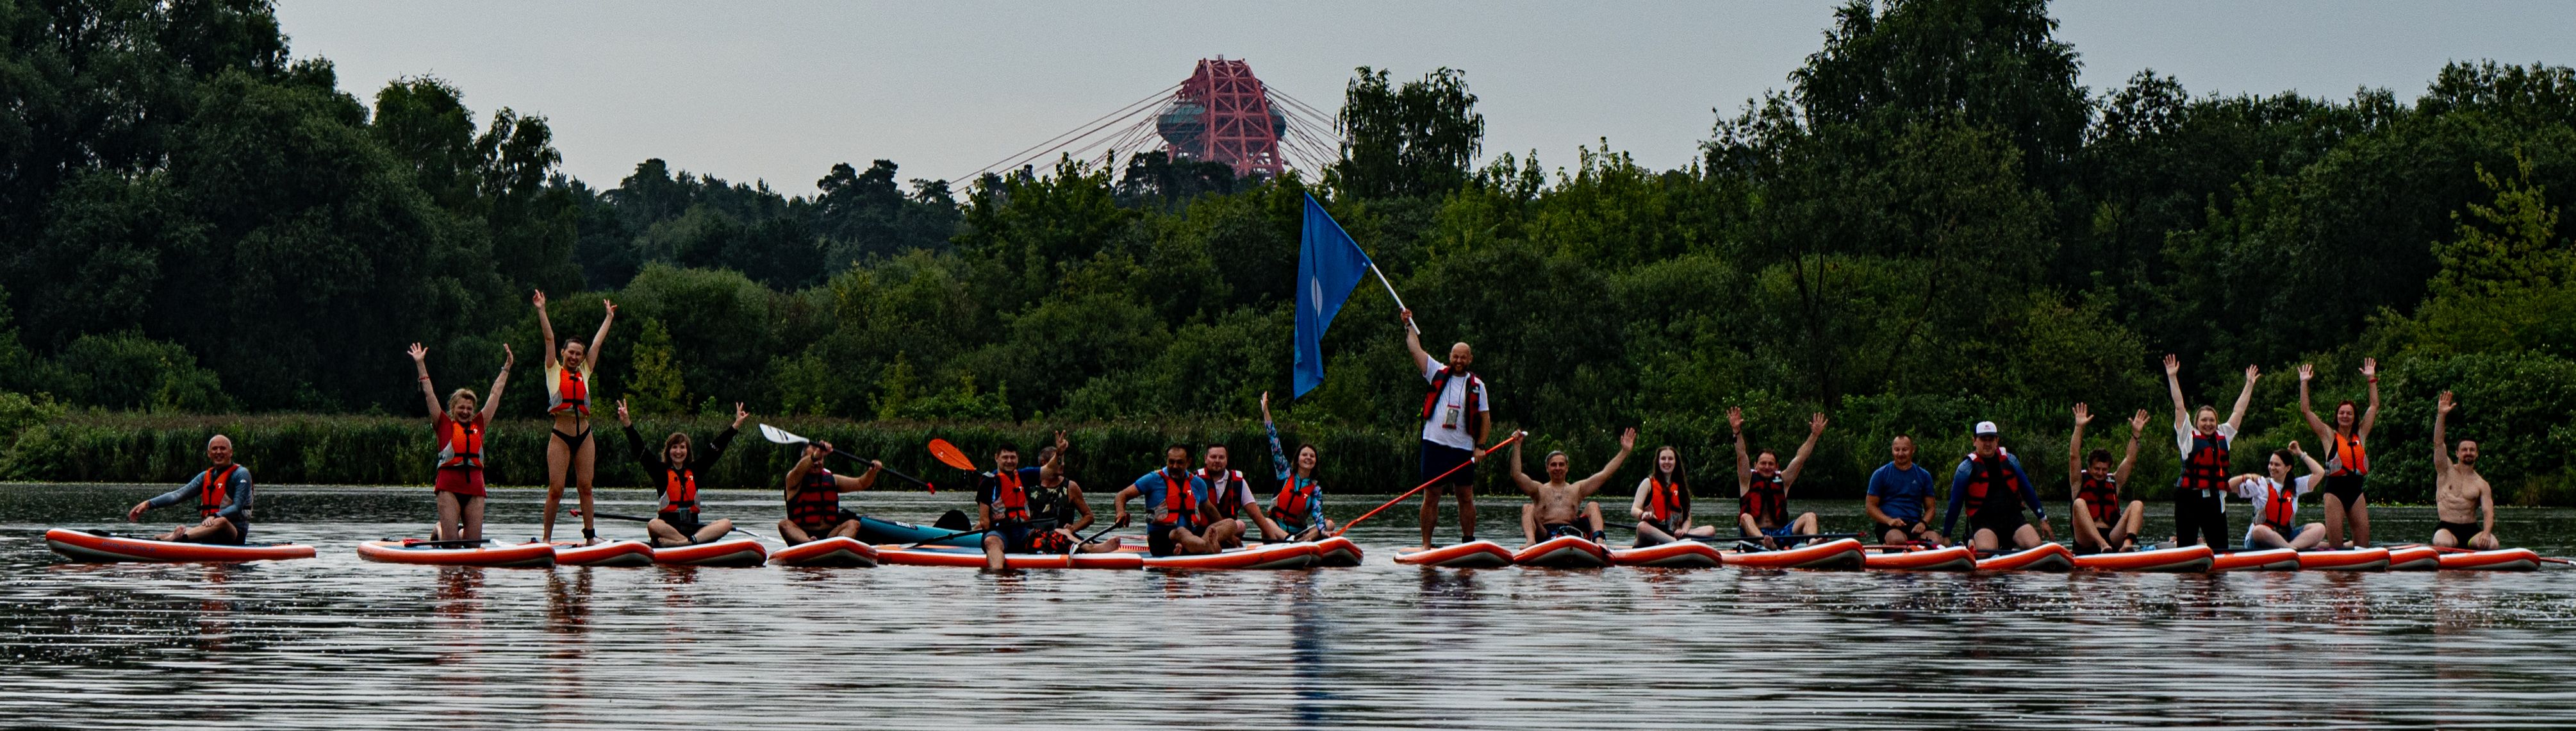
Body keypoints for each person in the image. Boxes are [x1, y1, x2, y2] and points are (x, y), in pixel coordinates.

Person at [1401, 308, 1493, 547]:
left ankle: (1468, 542)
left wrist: (1481, 446)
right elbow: (1415, 350)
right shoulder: (1437, 371)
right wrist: (1409, 325)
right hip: (1435, 445)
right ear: (1450, 356)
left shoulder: (1478, 385)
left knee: (1466, 497)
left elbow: (1485, 419)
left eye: (1463, 358)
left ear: (1470, 360)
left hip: (1462, 448)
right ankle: (1426, 544)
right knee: (1431, 496)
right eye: (1455, 356)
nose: (1459, 361)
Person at [408, 342, 512, 542]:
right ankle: (441, 529)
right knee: (451, 546)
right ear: (453, 408)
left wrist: (506, 367)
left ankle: (459, 533)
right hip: (449, 487)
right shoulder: (443, 424)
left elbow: (496, 394)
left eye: (469, 409)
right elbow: (429, 394)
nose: (465, 412)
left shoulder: (479, 424)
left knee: (473, 545)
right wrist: (420, 364)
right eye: (461, 408)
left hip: (475, 488)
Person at [535, 289, 616, 545]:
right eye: (570, 353)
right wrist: (542, 310)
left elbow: (597, 344)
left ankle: (590, 538)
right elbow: (549, 338)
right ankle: (546, 540)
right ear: (563, 353)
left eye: (578, 354)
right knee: (556, 490)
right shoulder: (553, 370)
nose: (574, 357)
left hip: (585, 436)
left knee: (586, 488)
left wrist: (608, 318)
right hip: (561, 435)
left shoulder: (585, 371)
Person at [616, 399, 746, 546]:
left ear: (688, 451)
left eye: (682, 447)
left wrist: (736, 425)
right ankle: (687, 543)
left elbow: (715, 450)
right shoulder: (660, 471)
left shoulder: (696, 471)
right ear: (668, 451)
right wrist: (627, 423)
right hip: (667, 532)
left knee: (726, 524)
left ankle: (683, 543)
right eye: (675, 447)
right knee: (653, 524)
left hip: (692, 534)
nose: (678, 451)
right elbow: (640, 450)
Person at [2165, 355, 2259, 550]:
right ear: (2197, 423)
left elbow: (2239, 411)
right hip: (2188, 498)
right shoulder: (2187, 436)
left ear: (2217, 422)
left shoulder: (2224, 435)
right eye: (2204, 420)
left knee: (2220, 548)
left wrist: (2249, 384)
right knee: (2186, 546)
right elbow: (2179, 406)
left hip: (2215, 499)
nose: (2208, 424)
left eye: (2212, 420)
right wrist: (2172, 377)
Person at [2297, 359, 2381, 549]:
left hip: (2356, 490)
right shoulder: (2328, 435)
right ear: (2337, 416)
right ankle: (2320, 548)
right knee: (2336, 546)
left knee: (2363, 545)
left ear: (2354, 417)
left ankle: (2338, 548)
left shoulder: (2361, 434)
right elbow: (2306, 410)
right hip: (2334, 491)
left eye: (2349, 413)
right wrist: (2304, 383)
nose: (2345, 416)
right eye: (2342, 413)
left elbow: (2374, 406)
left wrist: (2372, 379)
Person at [1509, 428, 1636, 546]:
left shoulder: (1577, 489)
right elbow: (1517, 475)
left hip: (1571, 531)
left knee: (1593, 506)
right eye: (1553, 465)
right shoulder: (1538, 489)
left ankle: (1599, 543)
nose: (1558, 468)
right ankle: (1531, 541)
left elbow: (1605, 474)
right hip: (1544, 533)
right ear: (1547, 468)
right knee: (1527, 507)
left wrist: (1624, 452)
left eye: (1561, 465)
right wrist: (1517, 445)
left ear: (1567, 468)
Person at [1940, 421, 2055, 553]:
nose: (1988, 443)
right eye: (1983, 439)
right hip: (1984, 521)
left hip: (2013, 518)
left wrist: (2042, 519)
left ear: (1997, 441)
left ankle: (2009, 548)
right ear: (1974, 441)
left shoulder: (2011, 461)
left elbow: (2027, 491)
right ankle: (1972, 541)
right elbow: (1955, 504)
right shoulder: (1965, 469)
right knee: (1986, 551)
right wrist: (1946, 535)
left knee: (2035, 545)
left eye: (1991, 439)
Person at [126, 435, 252, 544]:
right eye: (214, 449)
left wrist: (215, 516)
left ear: (231, 452)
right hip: (209, 533)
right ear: (209, 453)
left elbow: (237, 507)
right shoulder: (205, 476)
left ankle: (177, 538)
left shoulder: (241, 474)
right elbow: (178, 495)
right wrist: (148, 504)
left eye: (223, 448)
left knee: (222, 521)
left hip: (233, 536)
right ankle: (171, 540)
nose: (218, 452)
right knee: (157, 538)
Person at [1731, 408, 1825, 548]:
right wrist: (1736, 431)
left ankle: (1812, 543)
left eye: (1771, 464)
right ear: (1756, 465)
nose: (1767, 467)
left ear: (1777, 466)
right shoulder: (1747, 479)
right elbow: (1741, 454)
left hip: (1779, 536)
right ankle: (1765, 543)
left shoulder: (1783, 480)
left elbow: (1801, 458)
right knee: (1745, 517)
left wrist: (1814, 435)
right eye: (1763, 463)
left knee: (1810, 516)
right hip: (1754, 540)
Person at [975, 435, 1068, 569]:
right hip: (999, 533)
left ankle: (1091, 549)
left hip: (1023, 532)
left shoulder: (1025, 475)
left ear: (1017, 459)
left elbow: (1051, 470)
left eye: (1013, 457)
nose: (1009, 461)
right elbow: (984, 521)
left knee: (1054, 539)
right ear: (997, 458)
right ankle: (998, 573)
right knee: (991, 541)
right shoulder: (988, 482)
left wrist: (1059, 453)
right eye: (1005, 457)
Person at [2067, 404, 2150, 555]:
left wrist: (2136, 433)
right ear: (2090, 468)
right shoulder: (2078, 482)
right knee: (2078, 503)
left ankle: (2127, 545)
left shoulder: (2114, 482)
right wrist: (2079, 427)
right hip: (2086, 539)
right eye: (2097, 469)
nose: (2100, 473)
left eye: (2104, 469)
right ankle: (2102, 544)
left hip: (2112, 537)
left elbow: (2130, 459)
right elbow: (2074, 456)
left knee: (2137, 504)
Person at [1114, 444, 1221, 557]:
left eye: (1180, 462)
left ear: (1189, 462)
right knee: (1180, 532)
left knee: (1230, 524)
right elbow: (1122, 495)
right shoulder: (1152, 479)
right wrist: (1120, 513)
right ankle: (1206, 547)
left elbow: (1210, 510)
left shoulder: (1198, 483)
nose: (1175, 466)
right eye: (1171, 462)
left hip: (1194, 535)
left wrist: (1226, 531)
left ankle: (1198, 546)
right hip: (1161, 539)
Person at [1024, 439, 1122, 555]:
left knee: (1061, 534)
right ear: (1045, 463)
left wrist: (1074, 528)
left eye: (1063, 460)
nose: (1063, 464)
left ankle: (1090, 547)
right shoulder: (1030, 487)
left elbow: (1089, 517)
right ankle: (1089, 547)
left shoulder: (1071, 487)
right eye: (1059, 461)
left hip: (1065, 537)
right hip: (1037, 537)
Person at [1261, 392, 1336, 541]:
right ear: (1297, 460)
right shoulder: (1284, 473)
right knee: (1266, 521)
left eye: (1312, 456)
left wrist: (1323, 531)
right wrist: (1266, 413)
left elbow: (1317, 514)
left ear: (1315, 462)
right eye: (1305, 455)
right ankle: (1292, 541)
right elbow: (1275, 443)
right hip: (1276, 532)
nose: (1308, 458)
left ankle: (1300, 542)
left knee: (1329, 524)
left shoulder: (1315, 490)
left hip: (1300, 533)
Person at [2431, 391, 2499, 550]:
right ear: (2457, 453)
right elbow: (2438, 443)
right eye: (2464, 450)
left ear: (2477, 454)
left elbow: (2488, 512)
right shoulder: (2445, 470)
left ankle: (2476, 556)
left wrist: (2486, 534)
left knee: (2493, 544)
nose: (2468, 453)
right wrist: (2441, 415)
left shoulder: (2482, 484)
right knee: (2443, 543)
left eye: (2472, 450)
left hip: (2471, 530)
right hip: (2447, 528)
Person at [779, 440, 880, 544]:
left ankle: (839, 545)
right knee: (784, 524)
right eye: (813, 458)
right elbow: (798, 470)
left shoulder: (833, 480)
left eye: (820, 459)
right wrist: (815, 456)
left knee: (853, 524)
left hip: (829, 536)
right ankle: (809, 543)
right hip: (802, 535)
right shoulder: (793, 479)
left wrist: (872, 471)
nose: (817, 462)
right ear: (803, 460)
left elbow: (862, 483)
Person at [2230, 444, 2328, 550]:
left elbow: (2320, 473)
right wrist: (2244, 477)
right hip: (2261, 540)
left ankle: (2290, 548)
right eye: (2271, 464)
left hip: (2286, 538)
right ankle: (2291, 548)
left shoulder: (2295, 486)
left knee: (2320, 528)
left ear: (2288, 468)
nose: (2272, 468)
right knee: (2259, 530)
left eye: (2277, 465)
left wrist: (2300, 454)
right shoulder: (2261, 484)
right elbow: (2229, 487)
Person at [1864, 435, 1944, 548]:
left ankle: (1920, 551)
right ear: (1892, 450)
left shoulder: (1924, 476)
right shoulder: (1880, 474)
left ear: (1913, 450)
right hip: (1889, 525)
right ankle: (1889, 548)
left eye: (1905, 450)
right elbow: (1870, 507)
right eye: (1897, 450)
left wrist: (1923, 523)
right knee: (1898, 540)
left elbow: (1931, 508)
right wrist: (1889, 521)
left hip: (1915, 525)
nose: (1901, 454)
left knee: (1937, 541)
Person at [1631, 445, 1716, 546]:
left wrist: (1684, 531)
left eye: (1670, 459)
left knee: (1710, 530)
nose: (1667, 462)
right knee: (1642, 527)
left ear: (1676, 462)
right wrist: (1643, 514)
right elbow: (1634, 509)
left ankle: (1676, 543)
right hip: (1651, 537)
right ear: (1658, 462)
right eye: (1663, 459)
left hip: (1673, 534)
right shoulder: (1648, 483)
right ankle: (1679, 544)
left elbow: (1687, 518)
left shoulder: (1680, 487)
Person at [1203, 442, 1285, 548]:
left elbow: (1255, 514)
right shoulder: (1196, 480)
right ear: (1206, 459)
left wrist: (1274, 540)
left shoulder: (1239, 482)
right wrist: (1231, 537)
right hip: (1203, 531)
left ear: (1227, 460)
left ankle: (1224, 543)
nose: (1217, 461)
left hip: (1228, 530)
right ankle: (1209, 544)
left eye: (1221, 457)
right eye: (1213, 457)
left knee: (1241, 525)